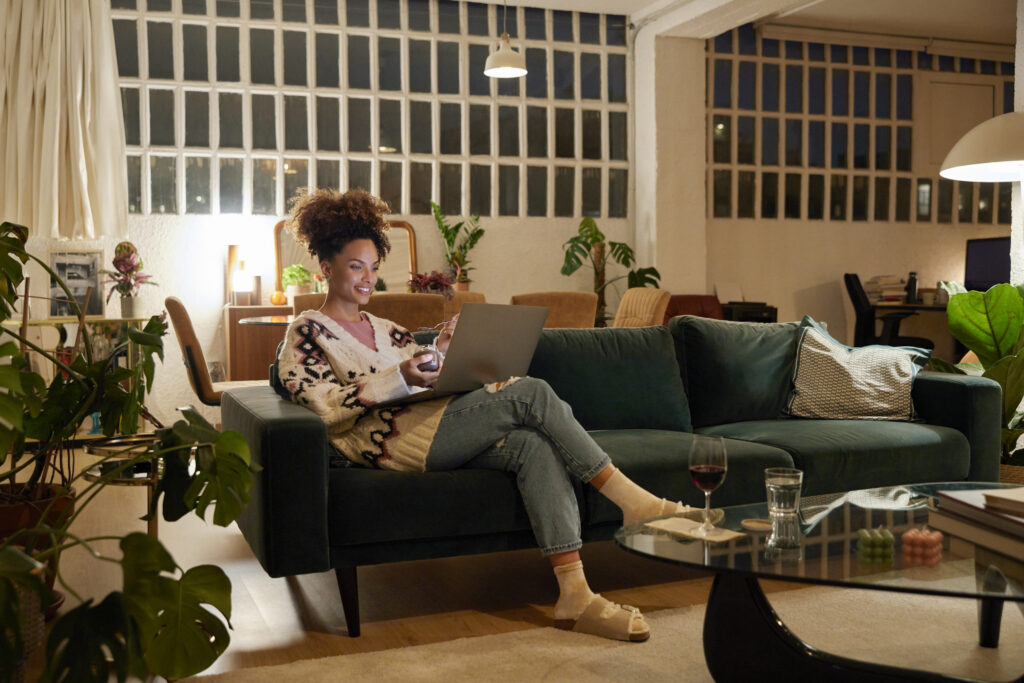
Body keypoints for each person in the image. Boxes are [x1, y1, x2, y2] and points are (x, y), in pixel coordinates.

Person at [277, 188, 693, 643]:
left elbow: (426, 371)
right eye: (356, 266)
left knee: (532, 447)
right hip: (392, 445)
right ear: (326, 268)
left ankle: (574, 594)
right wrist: (400, 379)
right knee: (528, 393)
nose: (367, 278)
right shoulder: (306, 330)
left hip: (438, 425)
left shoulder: (387, 329)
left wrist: (447, 350)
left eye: (374, 268)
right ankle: (633, 502)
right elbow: (321, 404)